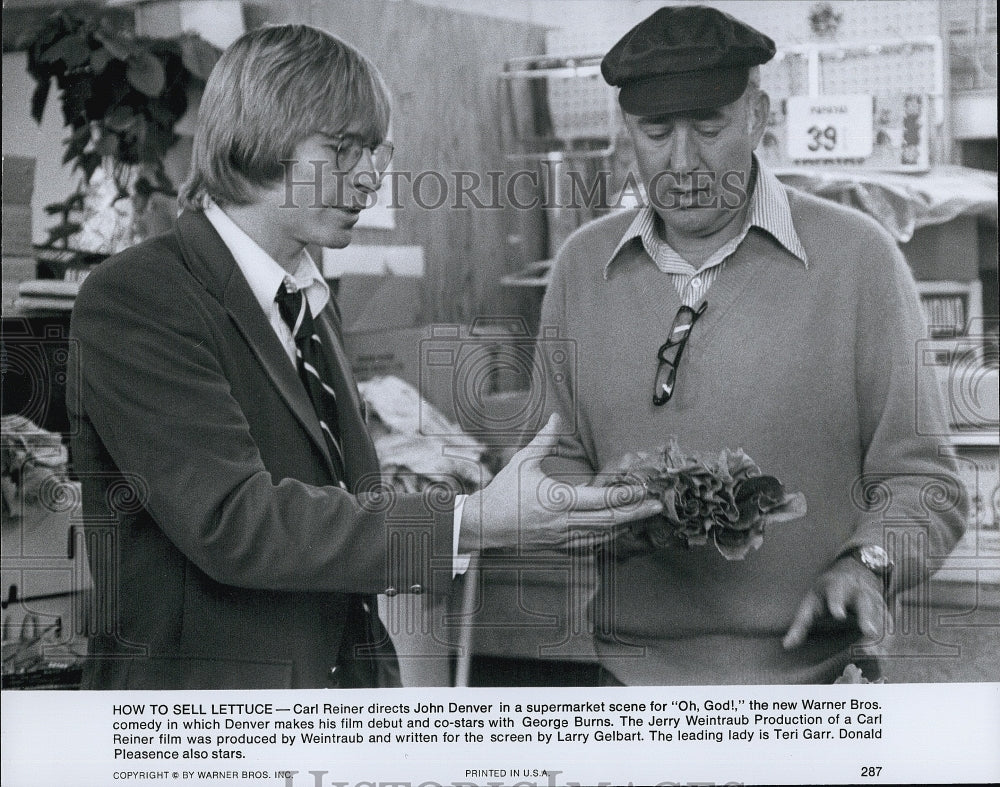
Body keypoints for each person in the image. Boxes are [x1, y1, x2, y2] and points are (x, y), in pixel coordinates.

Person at [66, 24, 661, 690]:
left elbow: (344, 506)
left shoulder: (306, 297)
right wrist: (473, 520)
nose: (370, 179)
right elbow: (234, 521)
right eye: (343, 149)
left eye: (376, 152)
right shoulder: (141, 296)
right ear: (260, 134)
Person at [538, 6, 966, 684]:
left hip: (816, 685)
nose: (683, 160)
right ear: (627, 134)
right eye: (656, 132)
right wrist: (582, 506)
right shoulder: (581, 268)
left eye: (709, 126)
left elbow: (927, 483)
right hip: (628, 688)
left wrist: (869, 562)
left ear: (758, 115)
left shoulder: (859, 259)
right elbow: (554, 456)